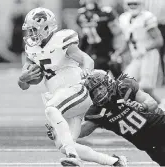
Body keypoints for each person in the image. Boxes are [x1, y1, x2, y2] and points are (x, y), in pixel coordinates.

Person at [18, 7, 127, 167]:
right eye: (30, 30)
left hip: (76, 89)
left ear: (47, 27)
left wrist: (87, 74)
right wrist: (23, 79)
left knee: (51, 109)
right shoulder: (31, 49)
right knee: (64, 144)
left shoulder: (61, 40)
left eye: (35, 29)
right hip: (63, 99)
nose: (32, 34)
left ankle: (73, 156)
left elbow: (87, 59)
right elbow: (24, 85)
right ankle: (115, 162)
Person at [79, 70, 164, 166]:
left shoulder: (124, 89)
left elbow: (152, 103)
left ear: (107, 83)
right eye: (94, 92)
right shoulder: (97, 112)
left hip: (161, 127)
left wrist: (142, 106)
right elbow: (81, 132)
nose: (98, 93)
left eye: (100, 88)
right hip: (150, 146)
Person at [112, 0, 163, 103]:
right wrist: (118, 53)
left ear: (141, 4)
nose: (133, 6)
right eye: (130, 3)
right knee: (124, 84)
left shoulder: (147, 17)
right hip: (136, 57)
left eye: (135, 3)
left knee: (145, 88)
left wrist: (144, 49)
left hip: (149, 55)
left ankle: (158, 108)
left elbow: (159, 41)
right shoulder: (124, 18)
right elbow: (128, 41)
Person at [76, 0, 122, 78]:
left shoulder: (106, 13)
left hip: (106, 52)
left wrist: (117, 52)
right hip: (90, 51)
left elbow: (117, 33)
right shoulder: (81, 15)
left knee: (117, 78)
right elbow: (81, 36)